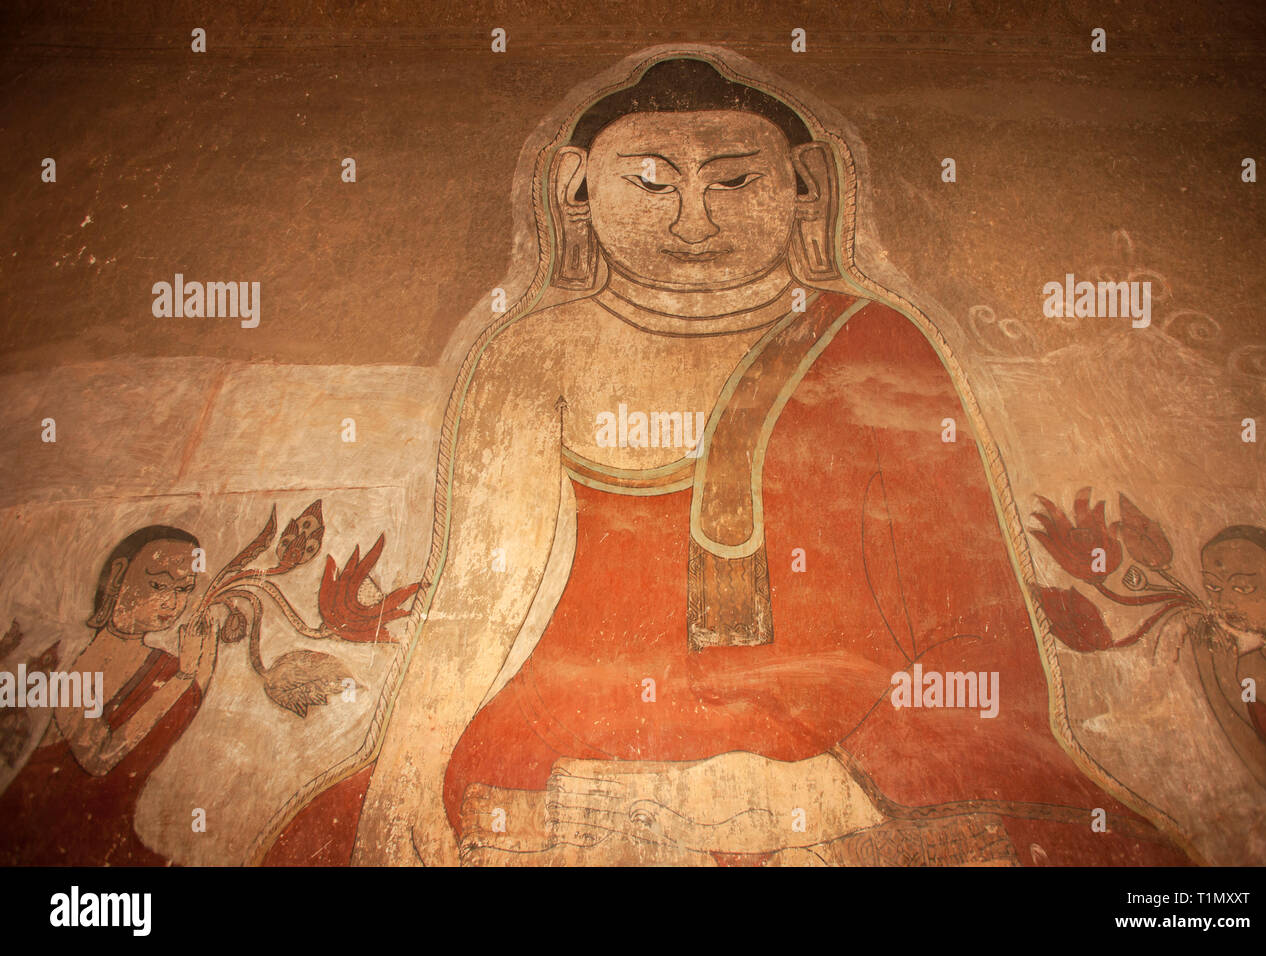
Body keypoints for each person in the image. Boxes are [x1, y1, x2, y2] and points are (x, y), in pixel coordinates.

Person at [277, 54, 1189, 867]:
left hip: (842, 734)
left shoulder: (873, 341)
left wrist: (831, 769)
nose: (693, 219)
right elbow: (479, 596)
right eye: (650, 182)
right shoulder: (536, 351)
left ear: (805, 186)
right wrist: (406, 768)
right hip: (569, 721)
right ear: (575, 187)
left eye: (733, 180)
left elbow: (972, 624)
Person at [0, 525, 216, 864]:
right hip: (44, 836)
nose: (172, 602)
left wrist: (193, 673)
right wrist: (185, 676)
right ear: (118, 575)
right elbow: (98, 757)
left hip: (109, 835)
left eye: (184, 589)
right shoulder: (75, 657)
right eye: (158, 584)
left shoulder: (166, 663)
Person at [1190, 525, 1266, 799]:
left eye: (1242, 587)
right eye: (1213, 588)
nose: (1224, 603)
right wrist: (1215, 678)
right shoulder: (1248, 669)